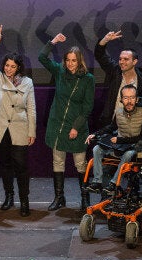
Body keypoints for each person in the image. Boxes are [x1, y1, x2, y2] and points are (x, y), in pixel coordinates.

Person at [38, 33, 95, 212]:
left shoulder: (88, 79)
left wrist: (76, 127)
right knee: (58, 162)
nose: (70, 63)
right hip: (57, 125)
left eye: (73, 60)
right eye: (68, 60)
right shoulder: (60, 71)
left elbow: (87, 107)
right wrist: (53, 42)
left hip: (76, 128)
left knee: (80, 164)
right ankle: (59, 197)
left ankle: (85, 198)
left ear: (80, 61)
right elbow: (41, 57)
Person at [0, 25, 36, 217]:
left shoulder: (27, 82)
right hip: (1, 129)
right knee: (5, 164)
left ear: (18, 67)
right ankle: (9, 196)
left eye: (12, 66)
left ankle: (24, 200)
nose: (8, 69)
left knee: (21, 166)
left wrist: (32, 131)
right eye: (6, 65)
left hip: (20, 129)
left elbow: (31, 108)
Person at [85, 84, 142, 194]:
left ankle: (114, 184)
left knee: (128, 154)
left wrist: (120, 140)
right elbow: (111, 127)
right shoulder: (119, 112)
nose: (129, 101)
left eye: (132, 98)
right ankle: (97, 182)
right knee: (97, 149)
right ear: (121, 100)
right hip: (120, 146)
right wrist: (95, 134)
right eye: (126, 98)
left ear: (137, 99)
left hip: (135, 146)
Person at [94, 30, 142, 129]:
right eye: (120, 59)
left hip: (133, 127)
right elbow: (100, 55)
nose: (121, 62)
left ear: (134, 61)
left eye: (126, 59)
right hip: (111, 123)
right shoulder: (115, 71)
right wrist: (104, 40)